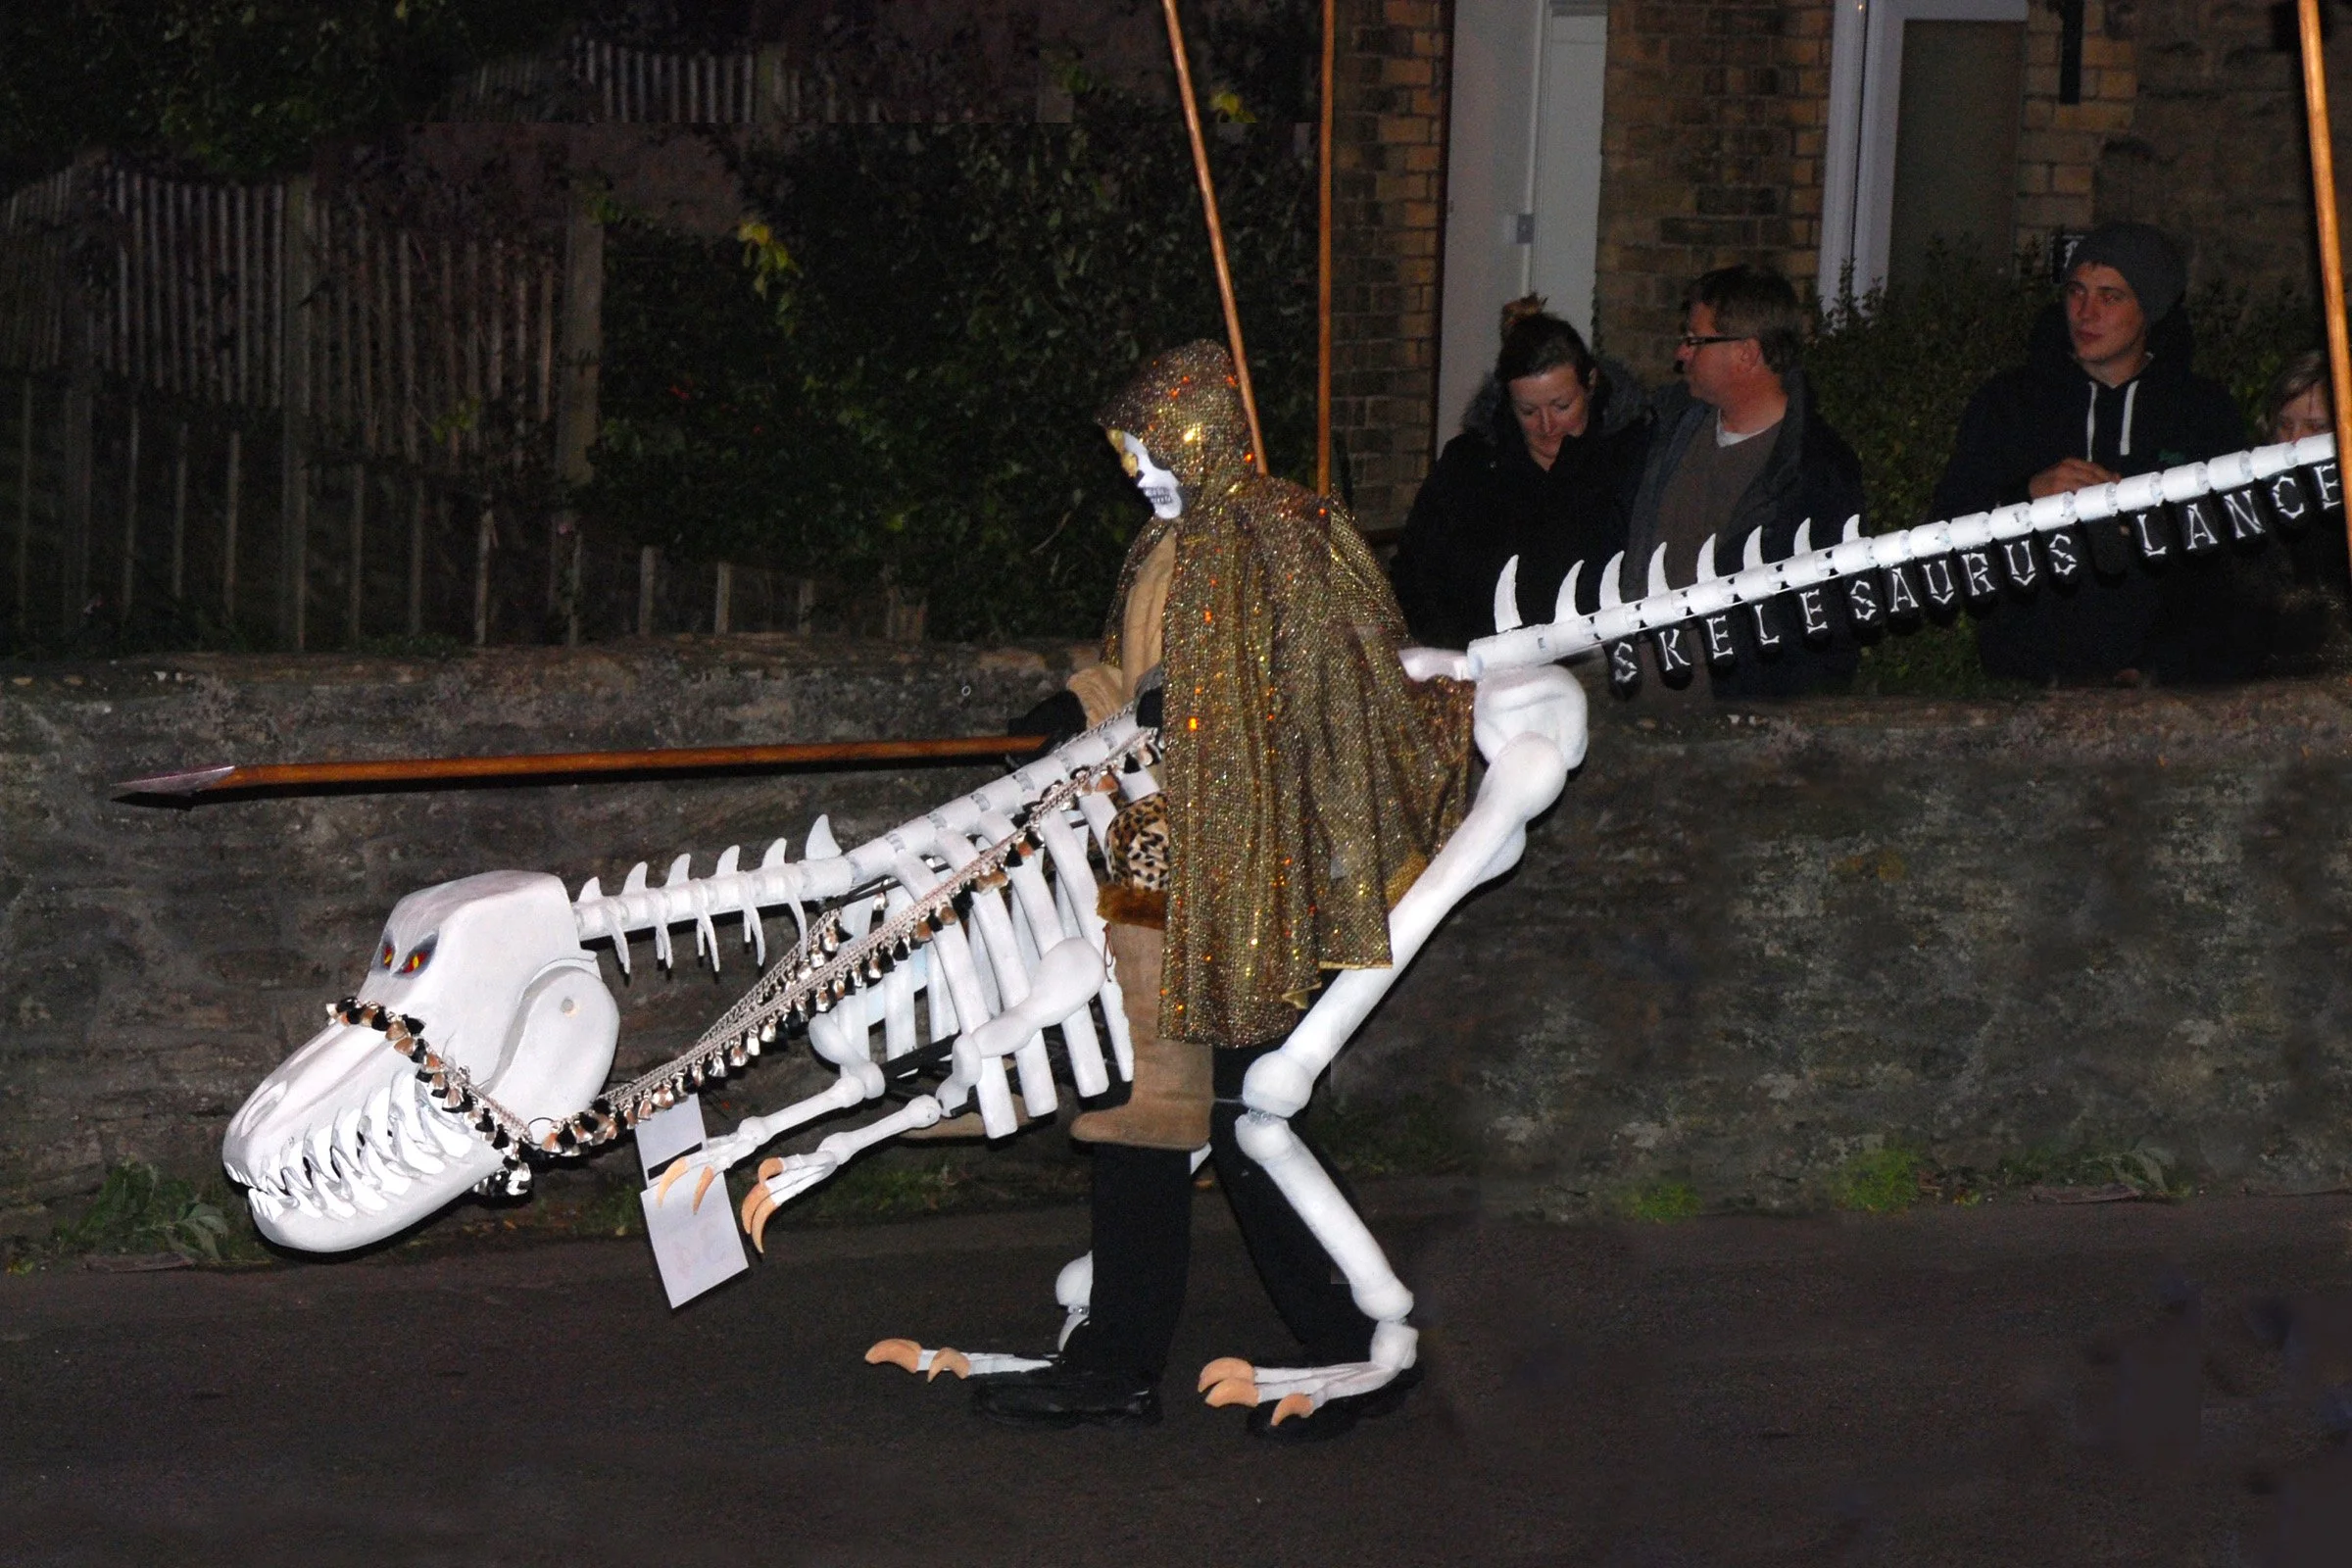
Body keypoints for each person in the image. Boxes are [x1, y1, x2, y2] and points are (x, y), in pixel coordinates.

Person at [986, 341, 1476, 1441]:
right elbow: (1136, 672)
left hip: (1248, 871)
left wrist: (1203, 712)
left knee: (1243, 1107)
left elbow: (1331, 675)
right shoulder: (1163, 547)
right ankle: (1124, 1357)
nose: (1137, 473)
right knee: (1153, 1100)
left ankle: (1351, 1342)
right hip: (1156, 865)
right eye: (1128, 454)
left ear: (1198, 429)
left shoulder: (1279, 532)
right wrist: (1079, 706)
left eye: (1150, 449)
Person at [1930, 222, 2253, 683]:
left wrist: (2153, 522)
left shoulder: (2200, 411)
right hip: (2029, 685)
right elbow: (1943, 536)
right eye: (2077, 292)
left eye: (2110, 297)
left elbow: (2237, 553)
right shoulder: (2010, 403)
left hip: (2160, 690)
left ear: (2150, 308)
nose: (2085, 312)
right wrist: (2026, 498)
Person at [1619, 263, 1866, 696]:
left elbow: (1827, 625)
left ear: (1747, 353)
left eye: (1696, 340)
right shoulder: (1666, 432)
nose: (1682, 353)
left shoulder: (1816, 473)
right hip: (1634, 701)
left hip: (1730, 725)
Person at [1389, 297, 1647, 647]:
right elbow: (1415, 574)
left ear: (1590, 383)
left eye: (1562, 406)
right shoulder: (1469, 464)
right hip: (1480, 663)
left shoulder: (1631, 457)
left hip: (1598, 665)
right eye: (1527, 411)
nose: (1546, 425)